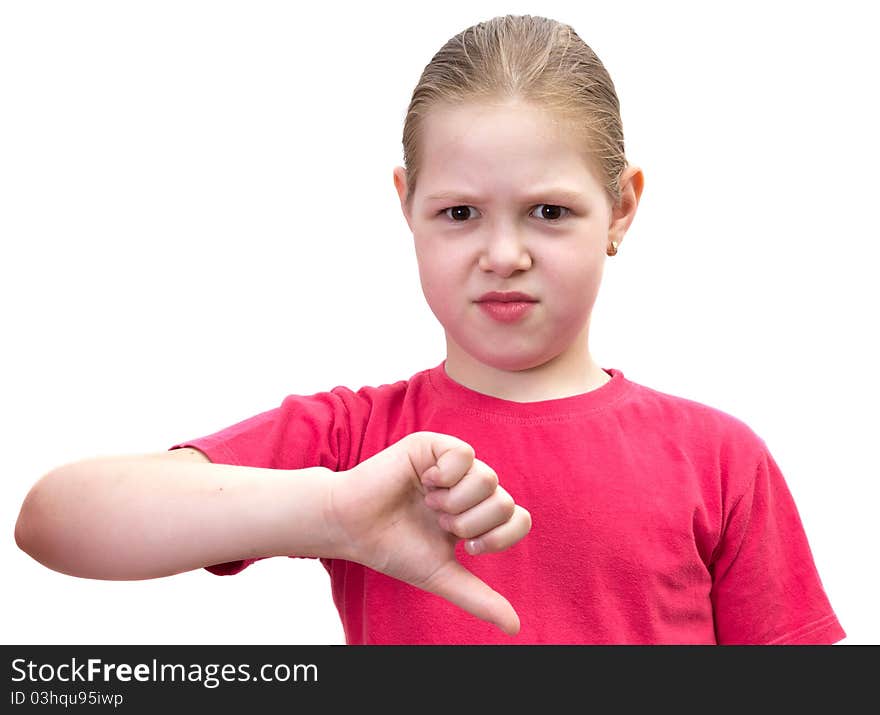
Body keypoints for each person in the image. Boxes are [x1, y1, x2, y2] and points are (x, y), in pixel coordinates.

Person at [14, 14, 844, 645]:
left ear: (621, 208)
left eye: (549, 211)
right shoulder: (357, 441)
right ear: (407, 204)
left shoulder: (720, 457)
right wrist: (328, 510)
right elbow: (54, 520)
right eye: (459, 213)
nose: (504, 253)